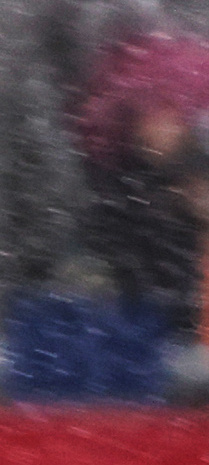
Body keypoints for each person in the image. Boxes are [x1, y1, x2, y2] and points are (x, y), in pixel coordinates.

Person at [76, 33, 209, 339]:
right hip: (163, 343)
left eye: (163, 110)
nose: (151, 128)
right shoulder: (125, 197)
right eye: (140, 116)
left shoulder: (193, 163)